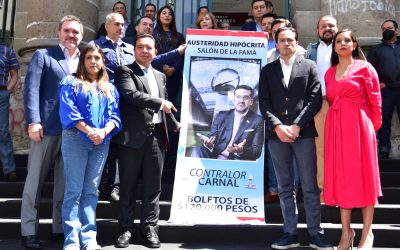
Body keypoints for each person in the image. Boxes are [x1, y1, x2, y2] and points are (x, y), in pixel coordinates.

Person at [258, 27, 333, 250]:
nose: (286, 43)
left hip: (304, 133)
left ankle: (316, 233)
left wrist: (298, 125)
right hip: (276, 135)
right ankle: (289, 233)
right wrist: (279, 126)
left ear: (297, 42)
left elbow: (314, 99)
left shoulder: (309, 66)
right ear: (276, 43)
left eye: (290, 40)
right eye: (282, 40)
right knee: (284, 186)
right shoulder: (268, 70)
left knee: (309, 186)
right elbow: (264, 102)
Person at [113, 33, 180, 249]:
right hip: (132, 139)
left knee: (153, 187)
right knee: (128, 186)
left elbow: (165, 109)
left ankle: (150, 229)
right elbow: (131, 96)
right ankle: (125, 229)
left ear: (155, 52)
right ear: (134, 51)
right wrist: (162, 102)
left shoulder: (161, 76)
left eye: (149, 48)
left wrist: (176, 124)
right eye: (140, 47)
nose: (145, 51)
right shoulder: (125, 71)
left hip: (157, 138)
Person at [21, 15, 83, 249]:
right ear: (59, 33)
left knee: (65, 185)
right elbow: (32, 90)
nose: (71, 35)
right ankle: (28, 231)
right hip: (45, 129)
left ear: (81, 35)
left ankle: (59, 228)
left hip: (73, 132)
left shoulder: (84, 60)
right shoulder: (43, 56)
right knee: (34, 183)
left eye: (76, 32)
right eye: (67, 31)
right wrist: (33, 121)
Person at [324, 29, 382, 250]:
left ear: (355, 45)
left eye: (347, 40)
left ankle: (367, 233)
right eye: (338, 41)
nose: (342, 43)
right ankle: (346, 233)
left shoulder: (366, 68)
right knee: (342, 179)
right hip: (336, 128)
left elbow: (376, 101)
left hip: (360, 127)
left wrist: (371, 129)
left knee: (365, 178)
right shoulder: (329, 73)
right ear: (334, 46)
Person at [59, 44, 121, 250]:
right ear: (82, 61)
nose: (93, 61)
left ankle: (88, 238)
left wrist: (103, 132)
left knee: (91, 191)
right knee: (73, 191)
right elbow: (69, 112)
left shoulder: (110, 88)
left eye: (97, 58)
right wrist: (90, 131)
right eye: (89, 58)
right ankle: (72, 240)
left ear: (103, 61)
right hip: (76, 139)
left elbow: (115, 116)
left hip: (101, 142)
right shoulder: (71, 82)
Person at [305, 16, 338, 199]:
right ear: (317, 29)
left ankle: (345, 189)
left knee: (343, 148)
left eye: (331, 25)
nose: (327, 28)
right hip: (319, 103)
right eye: (323, 26)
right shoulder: (310, 50)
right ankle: (324, 190)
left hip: (342, 102)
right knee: (321, 148)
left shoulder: (345, 45)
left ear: (337, 28)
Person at [193, 85, 264, 161]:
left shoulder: (258, 120)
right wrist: (208, 143)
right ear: (233, 99)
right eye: (238, 97)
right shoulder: (221, 115)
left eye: (246, 97)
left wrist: (241, 150)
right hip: (216, 155)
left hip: (237, 160)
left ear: (251, 102)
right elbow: (212, 138)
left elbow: (257, 151)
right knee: (197, 150)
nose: (241, 101)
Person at [367, 19, 400, 159]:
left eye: (390, 27)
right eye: (384, 28)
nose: (387, 30)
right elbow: (369, 70)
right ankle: (384, 149)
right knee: (384, 120)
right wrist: (378, 84)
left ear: (396, 30)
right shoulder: (376, 50)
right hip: (386, 91)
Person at [153, 5, 185, 105]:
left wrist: (174, 68)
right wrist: (162, 66)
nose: (167, 16)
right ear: (159, 16)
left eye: (170, 14)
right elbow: (153, 54)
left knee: (171, 102)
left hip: (174, 74)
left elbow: (182, 55)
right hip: (156, 72)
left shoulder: (179, 36)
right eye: (164, 13)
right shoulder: (152, 34)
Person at [0, 44, 19, 182]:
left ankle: (9, 169)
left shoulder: (7, 51)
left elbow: (14, 74)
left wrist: (7, 91)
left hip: (1, 94)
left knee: (3, 132)